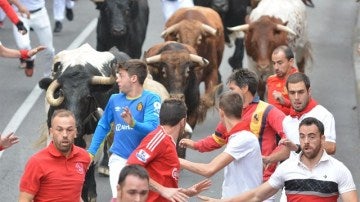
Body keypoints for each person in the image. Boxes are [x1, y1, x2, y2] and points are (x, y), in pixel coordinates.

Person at [180, 69, 290, 201]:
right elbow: (218, 139)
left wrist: (269, 159)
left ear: (244, 88)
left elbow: (288, 140)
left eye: (232, 88)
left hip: (262, 187)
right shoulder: (233, 113)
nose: (229, 93)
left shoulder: (268, 111)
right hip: (234, 190)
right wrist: (196, 145)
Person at [197, 117, 358, 202]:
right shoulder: (287, 168)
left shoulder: (339, 170)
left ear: (323, 139)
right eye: (302, 137)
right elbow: (256, 196)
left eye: (312, 136)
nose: (306, 141)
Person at [87, 59, 161, 202]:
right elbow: (103, 125)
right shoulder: (115, 99)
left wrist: (133, 123)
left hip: (145, 159)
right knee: (120, 198)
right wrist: (91, 152)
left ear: (133, 78)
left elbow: (153, 128)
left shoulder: (151, 99)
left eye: (121, 75)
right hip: (119, 158)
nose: (117, 79)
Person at [180, 91, 262, 198]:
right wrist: (196, 145)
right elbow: (215, 139)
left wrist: (177, 160)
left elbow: (208, 169)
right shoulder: (239, 136)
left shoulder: (243, 138)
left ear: (221, 112)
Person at [128, 98, 211, 201]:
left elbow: (164, 182)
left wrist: (185, 192)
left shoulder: (168, 142)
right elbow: (130, 168)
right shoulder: (158, 138)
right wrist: (162, 190)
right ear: (183, 121)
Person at [18, 109, 91, 201]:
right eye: (59, 130)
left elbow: (75, 193)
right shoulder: (36, 162)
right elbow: (24, 199)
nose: (65, 134)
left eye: (69, 130)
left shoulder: (84, 157)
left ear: (75, 132)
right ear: (51, 132)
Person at [283, 72, 336, 155]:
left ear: (309, 91)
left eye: (301, 92)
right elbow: (287, 152)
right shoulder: (286, 121)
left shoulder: (324, 115)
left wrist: (299, 148)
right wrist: (268, 159)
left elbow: (331, 147)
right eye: (292, 93)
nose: (296, 97)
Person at [9, 0, 55, 77]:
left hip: (40, 14)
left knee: (49, 50)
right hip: (20, 15)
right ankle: (30, 60)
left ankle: (48, 77)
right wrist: (19, 5)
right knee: (23, 45)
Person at [266, 45, 298, 115]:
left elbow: (305, 108)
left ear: (291, 62)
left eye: (280, 63)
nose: (276, 67)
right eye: (274, 63)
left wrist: (285, 102)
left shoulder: (299, 81)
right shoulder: (270, 79)